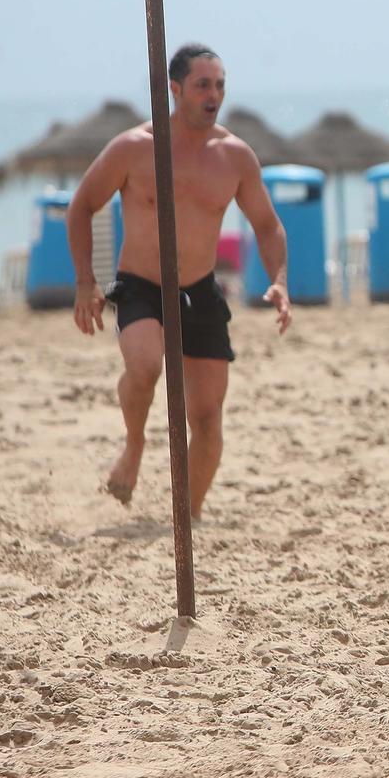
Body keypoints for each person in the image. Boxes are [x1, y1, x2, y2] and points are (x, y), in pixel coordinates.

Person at [68, 43, 292, 519]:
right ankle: (133, 445)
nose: (214, 95)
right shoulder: (135, 147)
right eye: (203, 85)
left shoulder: (234, 156)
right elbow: (82, 205)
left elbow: (268, 225)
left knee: (208, 419)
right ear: (175, 89)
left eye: (220, 85)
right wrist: (85, 281)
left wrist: (280, 280)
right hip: (142, 285)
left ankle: (184, 517)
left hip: (200, 289)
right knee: (146, 366)